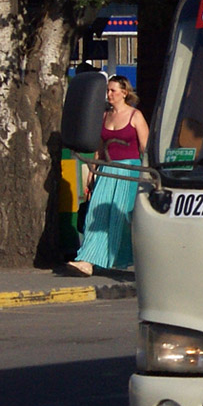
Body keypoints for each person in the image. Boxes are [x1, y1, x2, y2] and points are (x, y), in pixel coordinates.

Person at [68, 75, 149, 276]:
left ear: (125, 92)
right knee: (96, 213)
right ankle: (87, 260)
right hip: (107, 168)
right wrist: (93, 172)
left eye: (113, 90)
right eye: (108, 90)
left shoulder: (135, 115)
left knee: (122, 218)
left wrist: (146, 175)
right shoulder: (104, 116)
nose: (109, 94)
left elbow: (144, 147)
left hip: (130, 170)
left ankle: (136, 261)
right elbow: (99, 147)